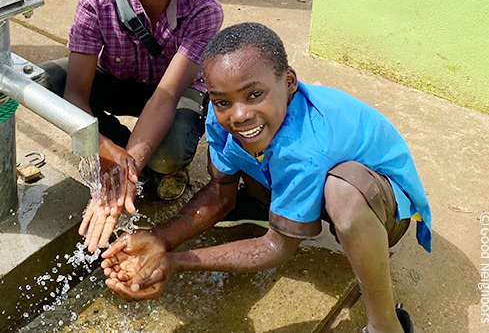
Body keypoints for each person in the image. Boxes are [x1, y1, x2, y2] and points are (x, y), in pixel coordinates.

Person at [100, 23, 431, 333]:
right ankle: (280, 209)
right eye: (223, 101)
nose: (239, 113)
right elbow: (219, 194)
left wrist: (175, 262)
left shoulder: (307, 145)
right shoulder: (223, 119)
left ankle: (386, 326)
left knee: (342, 192)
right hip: (307, 169)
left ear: (289, 83)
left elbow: (277, 247)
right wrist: (161, 239)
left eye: (254, 94)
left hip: (383, 206)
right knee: (253, 150)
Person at [41, 0, 223, 252]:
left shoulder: (205, 11)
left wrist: (129, 166)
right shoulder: (96, 0)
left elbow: (166, 96)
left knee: (169, 156)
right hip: (116, 81)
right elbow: (77, 91)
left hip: (173, 91)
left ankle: (135, 159)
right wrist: (101, 146)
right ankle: (114, 145)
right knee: (46, 82)